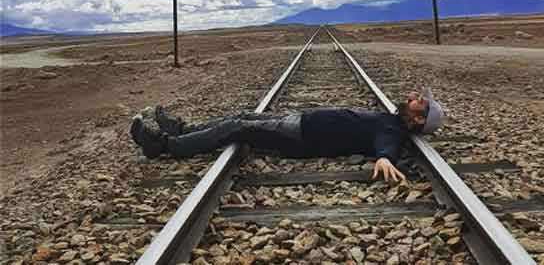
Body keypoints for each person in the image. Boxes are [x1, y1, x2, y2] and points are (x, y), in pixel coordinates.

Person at [129, 88, 444, 183]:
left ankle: (166, 146)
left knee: (239, 128)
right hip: (299, 122)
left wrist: (386, 159)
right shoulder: (392, 120)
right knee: (239, 116)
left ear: (418, 119)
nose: (415, 95)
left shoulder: (393, 130)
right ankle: (183, 130)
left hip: (302, 135)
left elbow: (386, 145)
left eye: (421, 101)